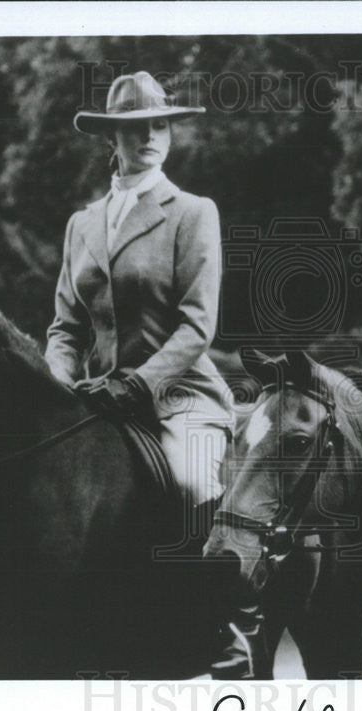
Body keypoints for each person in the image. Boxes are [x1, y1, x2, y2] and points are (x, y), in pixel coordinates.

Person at [45, 71, 254, 677]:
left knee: (190, 479)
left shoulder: (193, 212)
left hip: (178, 396)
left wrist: (138, 383)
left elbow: (197, 327)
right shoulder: (82, 224)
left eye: (159, 126)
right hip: (96, 401)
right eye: (136, 130)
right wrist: (60, 384)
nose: (150, 138)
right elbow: (65, 330)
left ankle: (222, 624)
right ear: (112, 138)